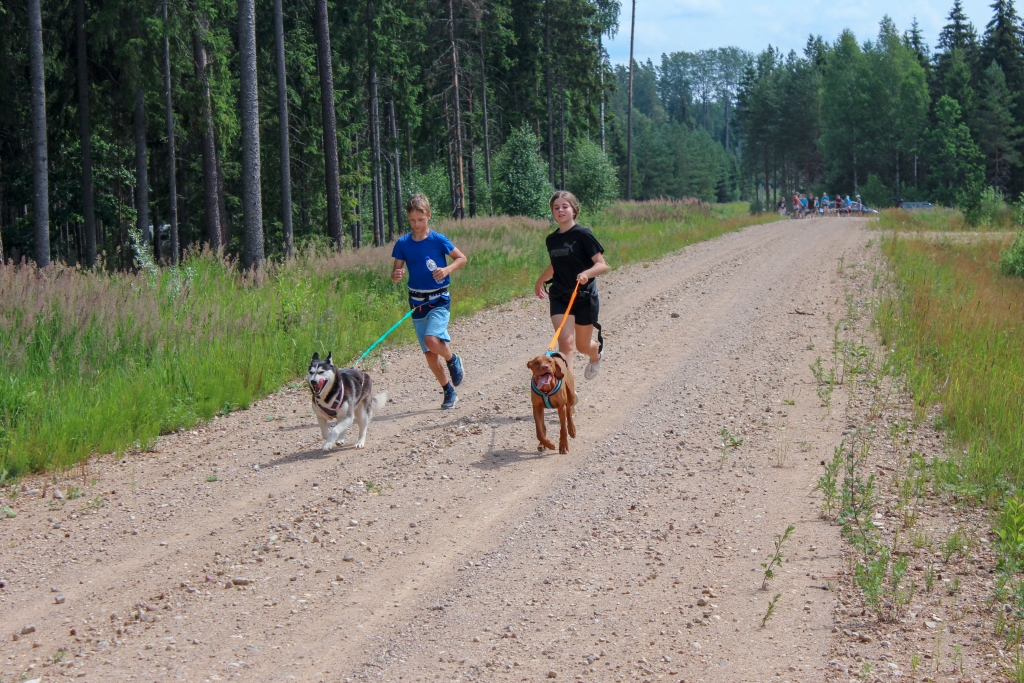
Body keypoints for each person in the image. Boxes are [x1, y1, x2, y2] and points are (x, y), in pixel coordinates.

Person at [391, 194, 467, 409]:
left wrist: (447, 269)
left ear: (429, 216)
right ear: (408, 219)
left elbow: (461, 258)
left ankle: (453, 360)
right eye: (413, 220)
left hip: (439, 299)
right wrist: (396, 275)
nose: (417, 224)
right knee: (430, 356)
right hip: (416, 302)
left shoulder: (438, 240)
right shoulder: (403, 243)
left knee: (433, 340)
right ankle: (448, 391)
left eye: (421, 220)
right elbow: (397, 269)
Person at [534, 191, 608, 379]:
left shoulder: (583, 234)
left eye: (565, 206)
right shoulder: (551, 239)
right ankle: (568, 391)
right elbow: (556, 264)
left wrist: (586, 274)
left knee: (583, 346)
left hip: (583, 296)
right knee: (566, 345)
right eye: (556, 207)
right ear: (552, 212)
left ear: (574, 210)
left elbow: (601, 264)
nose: (560, 210)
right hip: (560, 295)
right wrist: (541, 280)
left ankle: (596, 355)